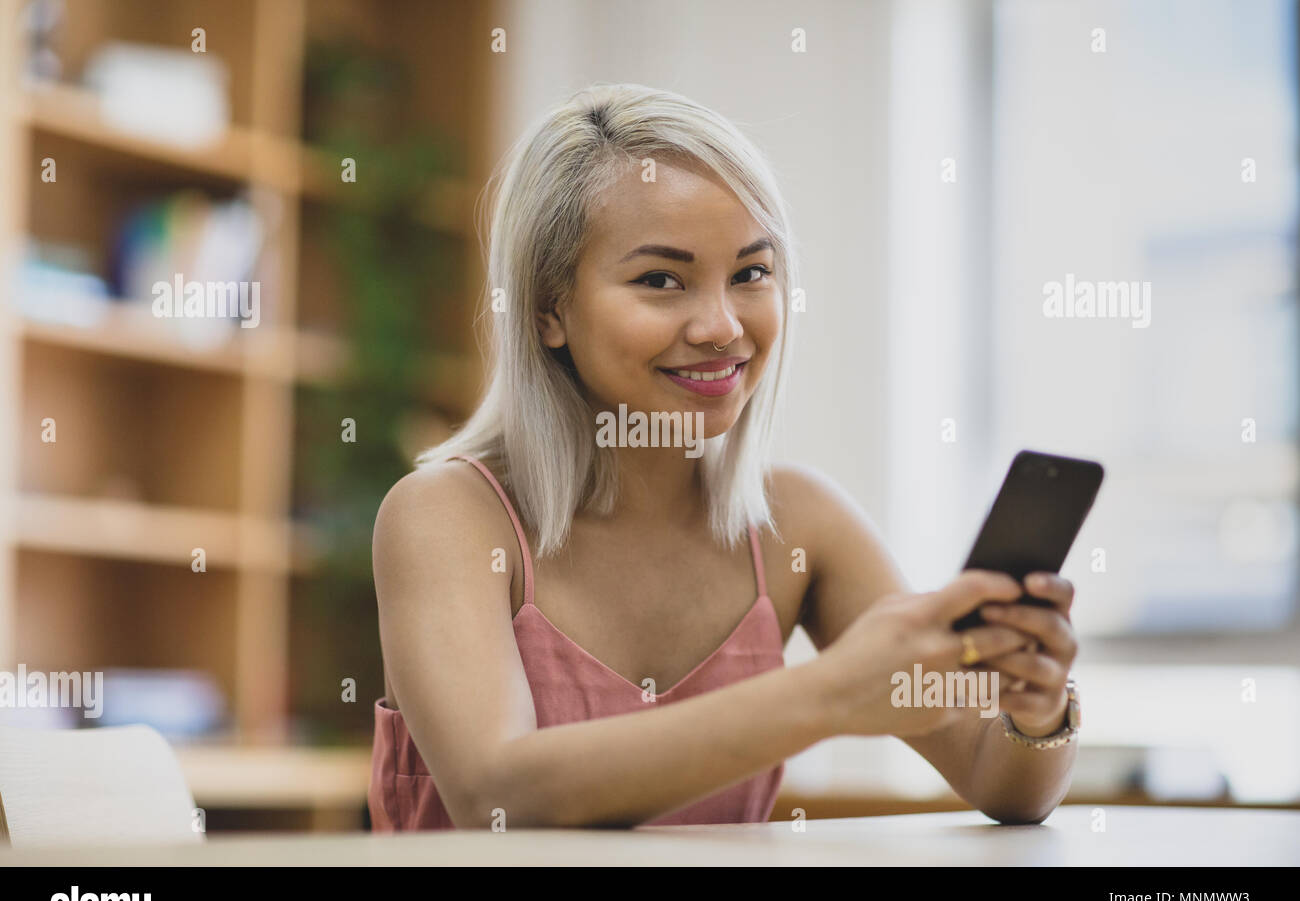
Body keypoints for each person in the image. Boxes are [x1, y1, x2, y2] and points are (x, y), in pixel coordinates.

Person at [368, 82, 1078, 830]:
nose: (720, 325)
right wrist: (833, 693)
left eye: (750, 274)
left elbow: (1002, 781)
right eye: (660, 281)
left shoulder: (798, 525)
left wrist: (1038, 707)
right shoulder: (446, 517)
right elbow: (496, 795)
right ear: (548, 309)